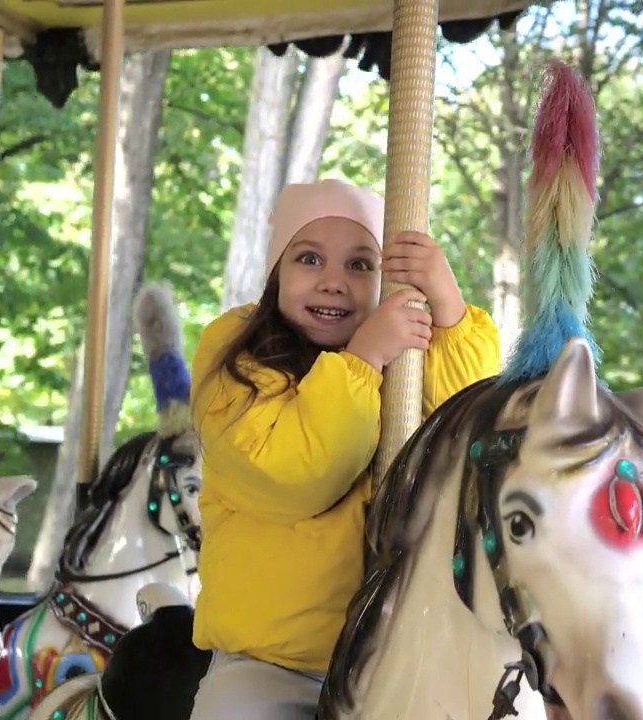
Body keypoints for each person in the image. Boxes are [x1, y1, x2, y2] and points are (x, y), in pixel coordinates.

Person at [187, 178, 501, 719]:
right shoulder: (237, 361)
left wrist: (447, 309)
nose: (334, 283)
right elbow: (296, 472)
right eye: (309, 259)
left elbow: (467, 427)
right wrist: (362, 360)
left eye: (360, 266)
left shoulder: (398, 367)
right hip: (273, 664)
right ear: (275, 274)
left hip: (400, 655)